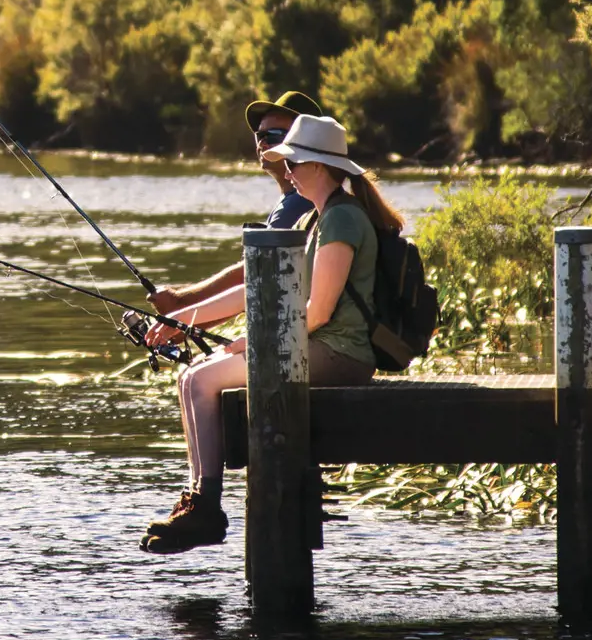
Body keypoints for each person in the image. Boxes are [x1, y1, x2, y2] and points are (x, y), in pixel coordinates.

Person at [130, 111, 406, 553]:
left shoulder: (343, 221)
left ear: (319, 166)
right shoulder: (315, 219)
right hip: (313, 347)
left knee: (202, 380)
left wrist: (257, 343)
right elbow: (252, 288)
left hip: (342, 354)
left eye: (294, 163)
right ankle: (200, 498)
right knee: (191, 376)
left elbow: (318, 312)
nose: (288, 172)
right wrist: (183, 322)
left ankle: (206, 507)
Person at [138, 92, 322, 329]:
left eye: (274, 135)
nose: (262, 143)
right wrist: (189, 320)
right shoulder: (293, 199)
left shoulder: (298, 204)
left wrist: (181, 302)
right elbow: (253, 288)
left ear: (307, 141)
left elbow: (249, 275)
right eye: (260, 135)